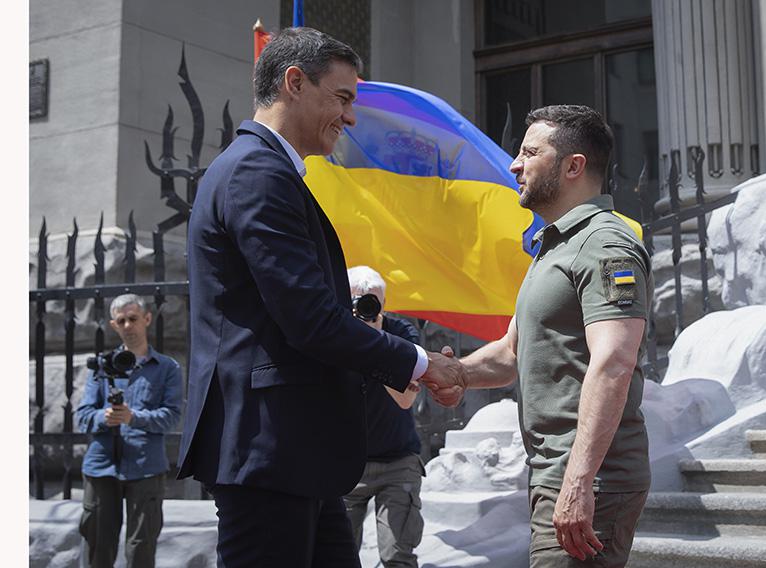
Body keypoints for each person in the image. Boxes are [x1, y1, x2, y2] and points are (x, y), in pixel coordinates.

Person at [176, 27, 460, 567]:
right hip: (270, 451)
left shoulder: (265, 171)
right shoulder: (257, 172)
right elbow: (311, 320)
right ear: (294, 83)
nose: (350, 117)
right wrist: (420, 364)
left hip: (294, 452)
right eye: (343, 97)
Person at [423, 105, 653, 567]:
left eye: (529, 152)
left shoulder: (605, 244)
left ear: (574, 166)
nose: (514, 164)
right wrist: (452, 372)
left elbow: (614, 362)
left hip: (592, 478)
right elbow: (512, 352)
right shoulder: (556, 246)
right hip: (557, 473)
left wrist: (579, 481)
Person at [75, 294, 183, 568]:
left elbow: (172, 417)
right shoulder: (101, 366)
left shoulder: (167, 368)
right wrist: (105, 417)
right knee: (98, 547)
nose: (127, 325)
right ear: (114, 325)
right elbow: (83, 416)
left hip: (146, 466)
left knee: (141, 550)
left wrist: (134, 418)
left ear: (147, 319)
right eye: (121, 320)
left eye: (133, 318)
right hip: (101, 467)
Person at [343, 266, 425, 567]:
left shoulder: (401, 333)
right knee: (337, 555)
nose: (364, 310)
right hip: (346, 465)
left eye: (372, 302)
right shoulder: (332, 334)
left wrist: (375, 344)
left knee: (397, 556)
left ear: (384, 304)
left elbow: (406, 399)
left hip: (398, 462)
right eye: (357, 302)